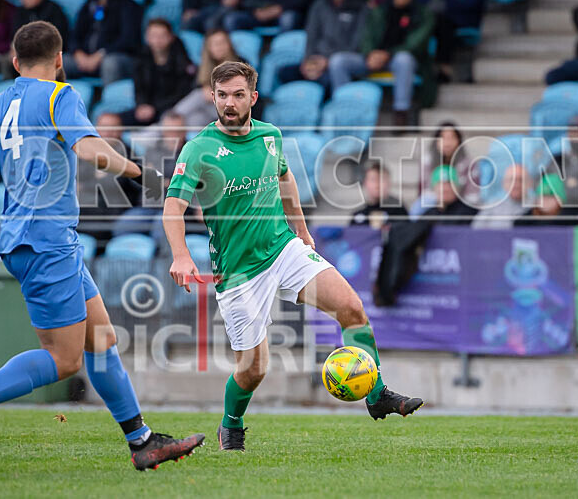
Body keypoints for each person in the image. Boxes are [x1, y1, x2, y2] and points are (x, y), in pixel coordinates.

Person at [0, 21, 203, 472]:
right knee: (64, 359)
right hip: (45, 242)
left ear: (15, 62)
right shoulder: (59, 95)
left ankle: (142, 441)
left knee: (102, 338)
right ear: (59, 59)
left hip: (39, 239)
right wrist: (139, 172)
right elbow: (93, 151)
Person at [162, 61, 423, 452]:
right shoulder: (199, 149)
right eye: (221, 96)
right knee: (253, 370)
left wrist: (300, 229)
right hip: (238, 273)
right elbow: (173, 207)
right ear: (213, 97)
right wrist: (181, 255)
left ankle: (376, 394)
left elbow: (284, 179)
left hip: (283, 248)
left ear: (253, 97)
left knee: (352, 308)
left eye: (237, 95)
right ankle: (230, 424)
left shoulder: (270, 136)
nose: (229, 104)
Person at [329, 0, 436, 125]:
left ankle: (401, 112)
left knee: (404, 59)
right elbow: (365, 37)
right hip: (372, 58)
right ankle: (344, 108)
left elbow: (416, 44)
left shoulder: (423, 13)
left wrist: (388, 54)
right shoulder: (379, 10)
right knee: (339, 61)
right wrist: (369, 53)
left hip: (397, 58)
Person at [277, 0, 366, 90]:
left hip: (338, 60)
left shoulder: (360, 7)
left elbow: (356, 44)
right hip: (317, 58)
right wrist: (308, 59)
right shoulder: (320, 4)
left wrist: (327, 61)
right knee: (285, 73)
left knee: (326, 78)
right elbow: (311, 35)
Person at [130, 19, 196, 125]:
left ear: (171, 37)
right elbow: (139, 88)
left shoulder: (182, 62)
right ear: (147, 38)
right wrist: (141, 105)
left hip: (173, 110)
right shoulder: (140, 60)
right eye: (153, 36)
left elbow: (183, 93)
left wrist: (155, 108)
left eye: (162, 36)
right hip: (147, 110)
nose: (157, 40)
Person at [64, 0, 143, 85]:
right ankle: (60, 97)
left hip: (115, 57)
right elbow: (74, 35)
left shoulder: (128, 6)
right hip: (85, 58)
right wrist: (78, 53)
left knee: (110, 64)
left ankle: (109, 97)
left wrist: (101, 54)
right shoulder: (89, 5)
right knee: (61, 62)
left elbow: (128, 40)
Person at [2, 0, 69, 78]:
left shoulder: (54, 10)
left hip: (47, 54)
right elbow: (14, 37)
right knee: (7, 62)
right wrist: (14, 49)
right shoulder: (20, 12)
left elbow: (59, 40)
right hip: (24, 55)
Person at [421, 122, 476, 202]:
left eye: (452, 138)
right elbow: (425, 191)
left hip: (460, 204)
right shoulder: (427, 161)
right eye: (442, 138)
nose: (447, 143)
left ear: (459, 141)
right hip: (434, 203)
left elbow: (473, 195)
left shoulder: (468, 164)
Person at [472, 164, 532, 229]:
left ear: (529, 183)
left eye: (520, 180)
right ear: (504, 183)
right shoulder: (492, 206)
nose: (516, 184)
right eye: (512, 180)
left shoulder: (535, 208)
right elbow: (475, 231)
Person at [412, 165, 478, 224]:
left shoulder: (469, 214)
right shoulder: (428, 215)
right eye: (440, 183)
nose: (444, 188)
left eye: (449, 183)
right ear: (434, 188)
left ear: (457, 188)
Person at [350, 162, 408, 228]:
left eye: (382, 179)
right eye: (373, 179)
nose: (377, 184)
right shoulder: (358, 215)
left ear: (389, 183)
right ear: (365, 183)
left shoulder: (399, 212)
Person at [514, 174, 578, 226]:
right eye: (542, 196)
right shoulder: (525, 221)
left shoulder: (572, 220)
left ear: (560, 199)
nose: (545, 201)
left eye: (550, 197)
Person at [221, 0, 308, 32]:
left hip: (282, 13)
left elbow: (304, 2)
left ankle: (284, 51)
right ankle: (239, 55)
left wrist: (281, 8)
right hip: (255, 14)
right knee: (232, 19)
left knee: (288, 18)